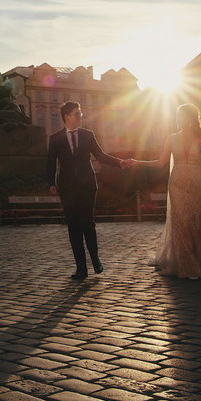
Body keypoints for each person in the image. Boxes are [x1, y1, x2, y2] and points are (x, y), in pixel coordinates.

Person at [126, 103, 201, 279]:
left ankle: (200, 259)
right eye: (178, 116)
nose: (180, 119)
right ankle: (187, 265)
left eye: (184, 116)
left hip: (196, 183)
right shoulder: (171, 138)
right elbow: (161, 162)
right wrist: (137, 162)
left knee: (195, 220)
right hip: (177, 183)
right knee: (180, 221)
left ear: (192, 118)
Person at [47, 101, 129, 280]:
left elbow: (100, 155)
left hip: (87, 186)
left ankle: (95, 258)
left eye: (80, 114)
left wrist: (119, 162)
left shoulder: (88, 135)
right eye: (77, 114)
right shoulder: (55, 138)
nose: (80, 117)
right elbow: (50, 163)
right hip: (67, 188)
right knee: (73, 227)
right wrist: (51, 184)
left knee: (87, 223)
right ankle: (81, 268)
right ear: (67, 116)